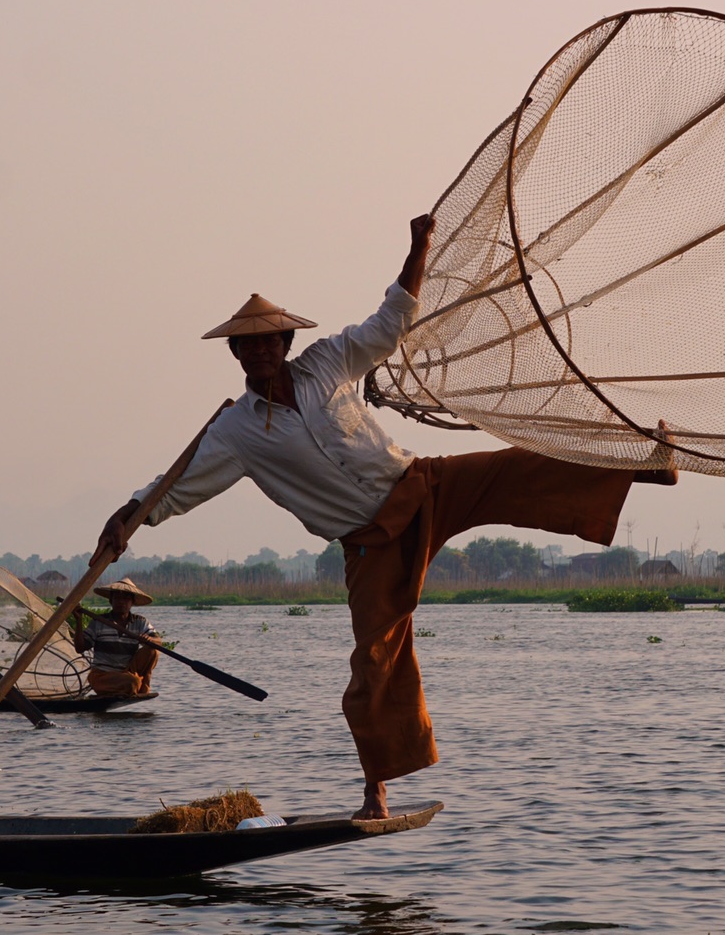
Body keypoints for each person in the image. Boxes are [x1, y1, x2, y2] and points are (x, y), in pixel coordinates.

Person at [99, 213, 675, 820]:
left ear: (285, 346)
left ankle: (643, 465)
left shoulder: (327, 362)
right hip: (369, 542)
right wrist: (127, 520)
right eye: (250, 344)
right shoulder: (237, 431)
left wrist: (418, 246)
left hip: (419, 485)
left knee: (516, 470)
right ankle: (377, 789)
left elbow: (390, 321)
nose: (262, 350)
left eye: (271, 340)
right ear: (237, 354)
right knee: (374, 659)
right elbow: (177, 486)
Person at [69, 577, 161, 697]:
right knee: (131, 682)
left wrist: (149, 640)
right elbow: (80, 648)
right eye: (117, 598)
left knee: (153, 651)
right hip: (102, 676)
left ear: (132, 602)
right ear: (111, 601)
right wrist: (78, 621)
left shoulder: (140, 622)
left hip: (127, 672)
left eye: (126, 599)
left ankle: (142, 687)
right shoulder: (99, 622)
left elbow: (158, 641)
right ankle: (131, 686)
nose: (121, 602)